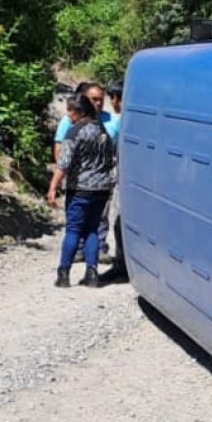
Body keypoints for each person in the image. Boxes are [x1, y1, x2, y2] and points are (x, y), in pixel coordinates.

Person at [47, 93, 115, 288]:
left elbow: (64, 163)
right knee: (92, 229)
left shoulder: (74, 132)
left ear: (79, 112)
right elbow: (110, 158)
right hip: (101, 188)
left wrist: (53, 186)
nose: (68, 114)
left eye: (70, 110)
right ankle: (92, 273)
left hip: (80, 189)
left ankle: (63, 274)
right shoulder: (102, 130)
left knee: (73, 230)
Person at [98, 78, 129, 284]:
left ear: (117, 99)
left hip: (125, 179)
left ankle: (121, 266)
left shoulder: (123, 121)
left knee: (119, 221)